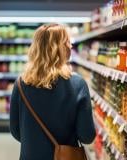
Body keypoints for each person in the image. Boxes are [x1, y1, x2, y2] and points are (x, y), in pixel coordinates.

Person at [10, 23, 96, 160]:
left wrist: (36, 143)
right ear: (60, 49)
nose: (71, 46)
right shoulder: (78, 84)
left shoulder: (20, 84)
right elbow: (87, 136)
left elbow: (15, 131)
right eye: (67, 42)